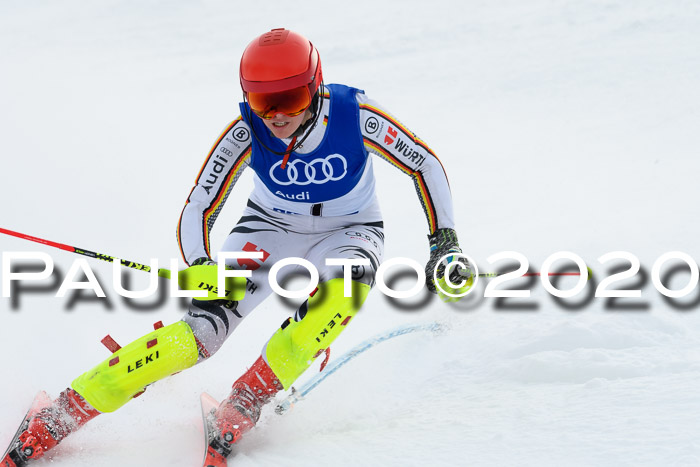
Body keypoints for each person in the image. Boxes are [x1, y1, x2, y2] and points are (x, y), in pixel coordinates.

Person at [2, 28, 473, 466]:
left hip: (350, 230)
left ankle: (247, 400)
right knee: (198, 337)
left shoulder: (355, 115)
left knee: (337, 301)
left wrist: (444, 243)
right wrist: (201, 263)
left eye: (292, 99)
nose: (278, 115)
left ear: (316, 87)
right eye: (264, 101)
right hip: (268, 228)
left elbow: (424, 164)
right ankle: (63, 412)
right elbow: (199, 205)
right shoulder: (246, 132)